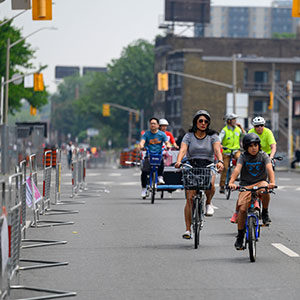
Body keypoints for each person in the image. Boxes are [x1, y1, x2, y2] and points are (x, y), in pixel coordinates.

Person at [175, 110, 224, 239]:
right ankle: (188, 230)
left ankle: (208, 202)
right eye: (200, 121)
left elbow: (217, 150)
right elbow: (183, 149)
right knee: (190, 197)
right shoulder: (189, 135)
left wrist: (220, 161)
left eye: (206, 121)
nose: (203, 123)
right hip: (192, 164)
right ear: (196, 122)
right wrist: (179, 161)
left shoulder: (213, 136)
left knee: (211, 185)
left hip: (207, 164)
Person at [228, 133, 276, 250]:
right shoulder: (243, 157)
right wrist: (231, 182)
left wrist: (272, 182)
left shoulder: (263, 155)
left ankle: (264, 212)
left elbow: (269, 168)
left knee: (265, 189)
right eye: (250, 146)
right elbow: (237, 169)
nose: (254, 148)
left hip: (260, 182)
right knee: (243, 210)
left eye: (256, 145)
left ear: (259, 146)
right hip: (246, 185)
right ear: (246, 147)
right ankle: (240, 236)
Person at [139, 118, 171, 198]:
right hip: (149, 155)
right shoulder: (146, 134)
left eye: (154, 123)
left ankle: (160, 177)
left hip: (158, 154)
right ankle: (143, 189)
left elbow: (167, 142)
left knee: (161, 163)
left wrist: (168, 146)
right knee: (144, 171)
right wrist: (142, 146)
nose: (152, 125)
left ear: (157, 125)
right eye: (151, 123)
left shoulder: (161, 134)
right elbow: (142, 142)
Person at [219, 113, 245, 194]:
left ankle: (237, 175)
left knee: (240, 159)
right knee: (225, 168)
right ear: (229, 121)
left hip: (236, 150)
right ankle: (222, 186)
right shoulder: (225, 130)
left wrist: (242, 128)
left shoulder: (238, 129)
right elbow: (219, 138)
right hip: (226, 151)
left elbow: (245, 136)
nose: (235, 121)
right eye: (234, 119)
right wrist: (220, 144)